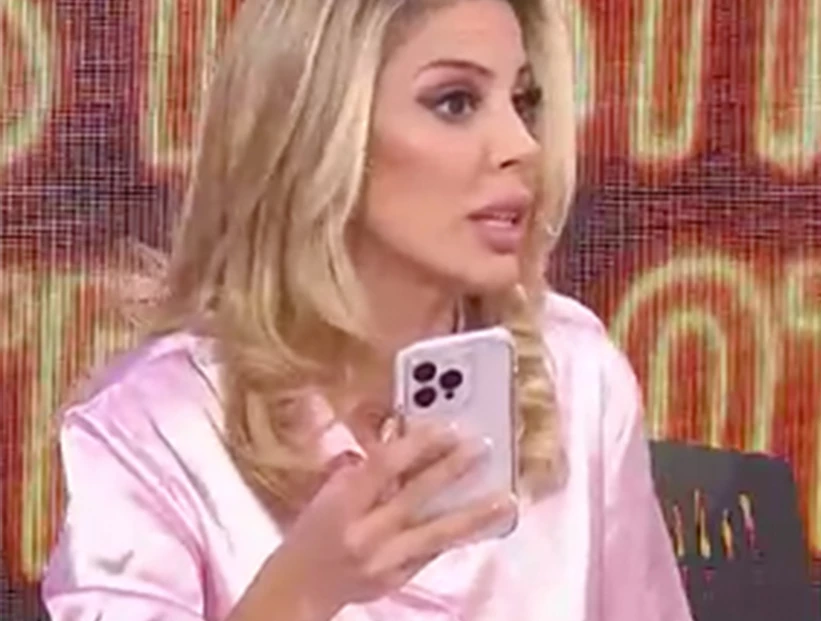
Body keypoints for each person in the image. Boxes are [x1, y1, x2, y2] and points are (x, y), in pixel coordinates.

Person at [42, 0, 694, 619]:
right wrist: (301, 593)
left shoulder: (576, 374)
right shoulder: (152, 428)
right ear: (319, 131)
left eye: (523, 102)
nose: (521, 144)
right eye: (456, 102)